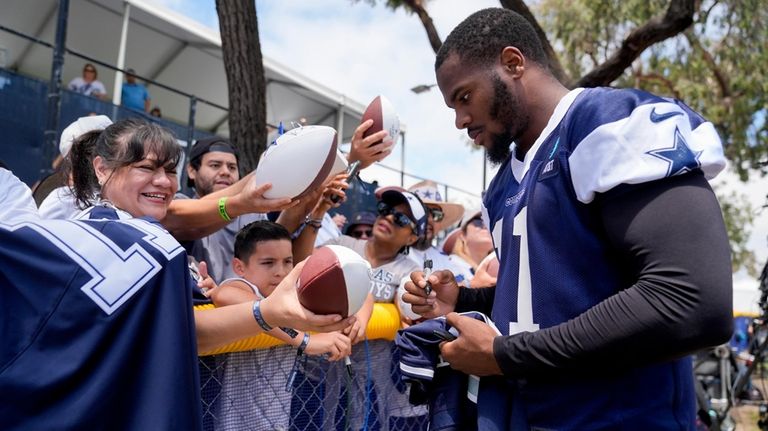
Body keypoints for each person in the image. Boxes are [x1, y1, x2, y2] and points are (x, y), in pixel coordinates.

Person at [403, 8, 732, 430]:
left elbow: (691, 300)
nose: (460, 120)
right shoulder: (502, 185)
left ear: (513, 63)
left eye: (464, 96)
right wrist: (463, 301)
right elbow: (548, 297)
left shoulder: (608, 122)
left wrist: (506, 356)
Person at [0, 118, 354, 430]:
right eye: (146, 167)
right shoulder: (127, 237)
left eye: (169, 170)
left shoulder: (143, 236)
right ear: (102, 169)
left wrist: (270, 312)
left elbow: (184, 330)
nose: (163, 182)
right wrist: (274, 316)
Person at [294, 187, 429, 430]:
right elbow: (299, 266)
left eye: (400, 219)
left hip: (367, 381)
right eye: (386, 210)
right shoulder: (343, 244)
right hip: (315, 373)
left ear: (412, 238)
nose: (388, 218)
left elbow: (408, 304)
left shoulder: (407, 269)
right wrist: (317, 214)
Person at [203, 220, 351, 431]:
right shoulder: (245, 287)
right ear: (239, 267)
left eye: (287, 261)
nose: (280, 271)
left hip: (277, 419)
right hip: (233, 423)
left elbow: (364, 294)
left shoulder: (294, 296)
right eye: (268, 262)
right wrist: (305, 340)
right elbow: (225, 294)